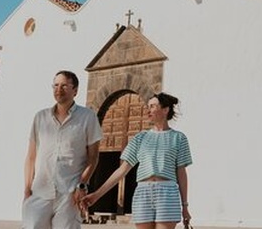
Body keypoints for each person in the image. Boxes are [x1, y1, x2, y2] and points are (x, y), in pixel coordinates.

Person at [82, 92, 192, 229]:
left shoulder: (179, 138)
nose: (148, 110)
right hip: (143, 192)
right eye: (148, 106)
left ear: (165, 110)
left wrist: (185, 206)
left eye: (152, 106)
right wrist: (96, 195)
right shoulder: (140, 138)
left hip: (167, 193)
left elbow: (181, 173)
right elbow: (122, 170)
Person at [23, 70, 102, 229]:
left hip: (69, 194)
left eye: (64, 85)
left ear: (75, 90)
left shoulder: (88, 117)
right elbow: (31, 157)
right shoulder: (40, 117)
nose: (59, 89)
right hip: (39, 192)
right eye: (56, 85)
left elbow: (93, 157)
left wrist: (82, 185)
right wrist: (27, 190)